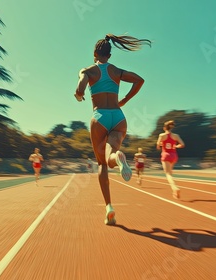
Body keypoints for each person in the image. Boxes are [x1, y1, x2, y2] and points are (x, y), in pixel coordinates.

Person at [74, 33, 151, 225]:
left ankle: (109, 207)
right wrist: (124, 100)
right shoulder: (116, 71)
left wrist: (79, 94)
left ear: (95, 53)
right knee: (111, 155)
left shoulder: (88, 70)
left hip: (100, 116)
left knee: (101, 164)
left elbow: (80, 87)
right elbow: (139, 80)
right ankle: (118, 158)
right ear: (109, 55)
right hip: (118, 117)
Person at [156, 120, 185, 199]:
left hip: (166, 155)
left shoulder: (162, 135)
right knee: (170, 173)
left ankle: (175, 188)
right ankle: (174, 192)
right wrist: (175, 146)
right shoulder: (176, 136)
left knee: (168, 174)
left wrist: (161, 145)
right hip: (174, 155)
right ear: (171, 128)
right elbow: (182, 144)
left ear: (164, 128)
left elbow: (158, 145)